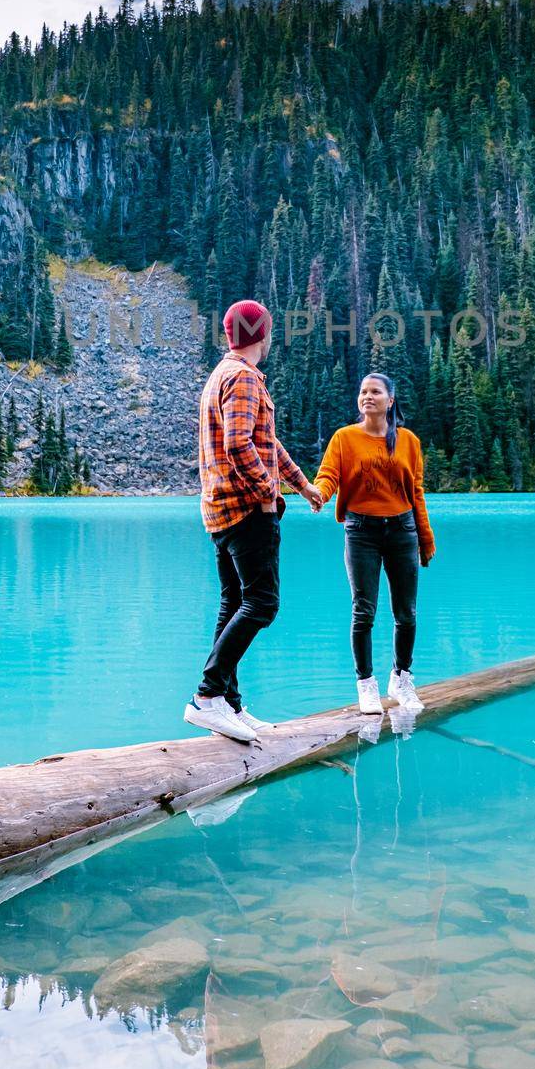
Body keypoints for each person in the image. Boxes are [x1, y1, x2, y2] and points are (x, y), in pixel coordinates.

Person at [185, 299, 323, 744]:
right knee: (262, 603)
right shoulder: (243, 377)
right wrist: (269, 492)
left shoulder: (219, 376)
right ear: (262, 334)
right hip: (247, 510)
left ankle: (229, 704)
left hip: (220, 511)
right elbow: (240, 444)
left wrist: (301, 485)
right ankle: (207, 697)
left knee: (232, 605)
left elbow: (267, 441)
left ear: (230, 335)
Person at [314, 372, 436, 715]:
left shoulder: (408, 441)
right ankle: (366, 686)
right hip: (361, 532)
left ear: (390, 400)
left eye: (375, 391)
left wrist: (425, 537)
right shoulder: (344, 438)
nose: (367, 396)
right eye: (363, 391)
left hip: (402, 531)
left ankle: (401, 678)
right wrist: (319, 494)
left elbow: (416, 492)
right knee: (363, 610)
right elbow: (329, 476)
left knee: (406, 613)